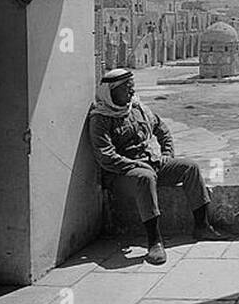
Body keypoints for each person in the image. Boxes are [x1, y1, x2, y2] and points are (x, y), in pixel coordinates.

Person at [87, 67, 225, 263]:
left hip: (149, 162)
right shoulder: (100, 118)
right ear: (111, 92)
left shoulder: (137, 108)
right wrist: (137, 164)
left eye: (131, 86)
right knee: (146, 177)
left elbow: (162, 129)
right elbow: (105, 156)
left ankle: (202, 226)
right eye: (125, 88)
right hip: (121, 174)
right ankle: (154, 241)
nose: (131, 92)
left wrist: (167, 154)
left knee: (190, 167)